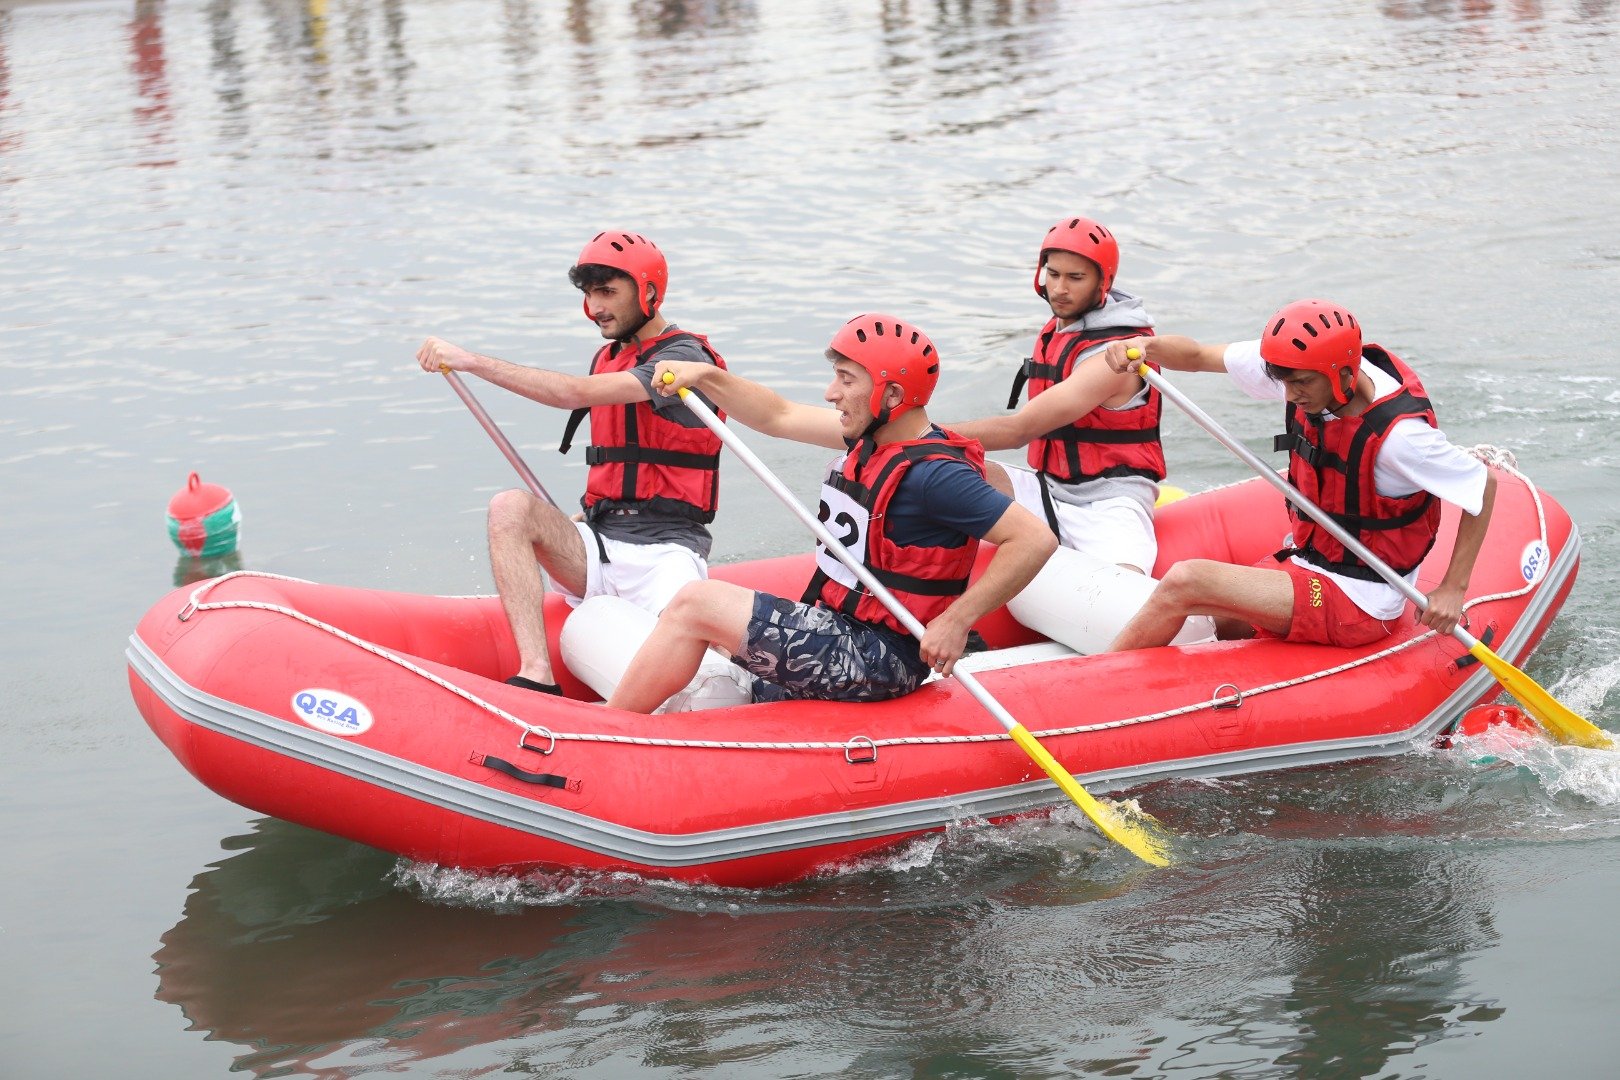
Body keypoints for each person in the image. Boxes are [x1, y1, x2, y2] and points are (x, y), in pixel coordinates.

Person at [602, 313, 1058, 713]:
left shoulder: (936, 476)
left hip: (879, 657)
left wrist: (957, 620)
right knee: (716, 637)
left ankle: (608, 729)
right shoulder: (873, 440)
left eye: (846, 379)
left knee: (694, 602)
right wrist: (704, 376)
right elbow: (776, 415)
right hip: (840, 630)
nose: (830, 393)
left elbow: (1035, 539)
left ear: (893, 394)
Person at [417, 231, 727, 694]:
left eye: (607, 292)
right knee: (510, 508)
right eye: (588, 294)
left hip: (665, 552)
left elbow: (572, 395)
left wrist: (469, 360)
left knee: (713, 671)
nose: (595, 307)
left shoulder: (681, 358)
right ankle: (537, 675)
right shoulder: (608, 356)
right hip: (599, 544)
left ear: (648, 292)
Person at [1100, 298, 1497, 651]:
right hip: (1305, 561)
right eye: (1283, 382)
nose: (1289, 396)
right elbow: (1198, 355)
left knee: (1187, 580)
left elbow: (1483, 485)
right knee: (1209, 621)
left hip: (1360, 599)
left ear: (1343, 373)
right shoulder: (1298, 368)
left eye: (1302, 384)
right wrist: (1145, 347)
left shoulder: (1401, 439)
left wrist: (1452, 589)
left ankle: (1099, 680)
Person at [951, 216, 1164, 573]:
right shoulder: (1061, 329)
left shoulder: (1117, 353)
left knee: (1121, 607)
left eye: (1076, 278)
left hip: (1109, 504)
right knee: (935, 468)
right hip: (1047, 489)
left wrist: (918, 434)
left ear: (1103, 281)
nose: (1060, 288)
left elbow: (1019, 431)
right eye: (1054, 274)